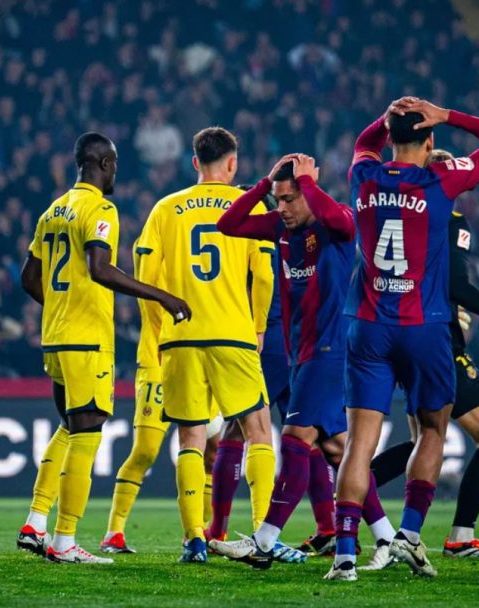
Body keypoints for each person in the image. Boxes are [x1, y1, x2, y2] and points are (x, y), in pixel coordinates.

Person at [331, 97, 479, 581]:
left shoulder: (363, 177)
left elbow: (364, 143)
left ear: (391, 138)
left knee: (358, 445)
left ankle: (345, 556)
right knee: (432, 431)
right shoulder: (442, 180)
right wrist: (448, 115)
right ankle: (410, 535)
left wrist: (387, 118)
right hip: (424, 327)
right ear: (430, 141)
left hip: (368, 325)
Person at [210, 154, 396, 570]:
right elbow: (228, 224)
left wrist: (309, 185)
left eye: (290, 199)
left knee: (294, 440)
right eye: (278, 200)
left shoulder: (336, 223)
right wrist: (263, 186)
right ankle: (389, 536)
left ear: (309, 193)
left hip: (330, 350)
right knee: (337, 449)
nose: (282, 209)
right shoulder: (280, 227)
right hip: (303, 353)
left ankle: (264, 541)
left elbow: (341, 221)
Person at [15, 132, 190, 564]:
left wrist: (60, 307)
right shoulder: (101, 209)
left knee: (69, 427)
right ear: (105, 164)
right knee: (87, 433)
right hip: (86, 339)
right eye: (115, 166)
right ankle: (64, 540)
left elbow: (28, 278)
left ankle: (35, 521)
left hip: (55, 337)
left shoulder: (53, 210)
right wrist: (161, 296)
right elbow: (100, 268)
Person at [369, 149, 479, 560]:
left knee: (422, 440)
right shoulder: (451, 221)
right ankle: (460, 534)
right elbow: (456, 284)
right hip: (439, 343)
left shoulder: (397, 215)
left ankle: (352, 493)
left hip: (397, 334)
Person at [135, 127, 276, 563]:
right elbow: (265, 275)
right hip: (233, 333)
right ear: (232, 164)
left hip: (180, 337)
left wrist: (158, 331)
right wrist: (258, 328)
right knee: (258, 430)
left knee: (191, 439)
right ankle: (263, 535)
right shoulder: (248, 205)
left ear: (195, 162)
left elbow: (145, 279)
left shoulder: (165, 208)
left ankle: (194, 539)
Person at [99, 239, 225, 553]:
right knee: (145, 451)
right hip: (157, 360)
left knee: (212, 450)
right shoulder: (153, 243)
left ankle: (199, 531)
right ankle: (114, 531)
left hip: (202, 357)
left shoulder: (205, 248)